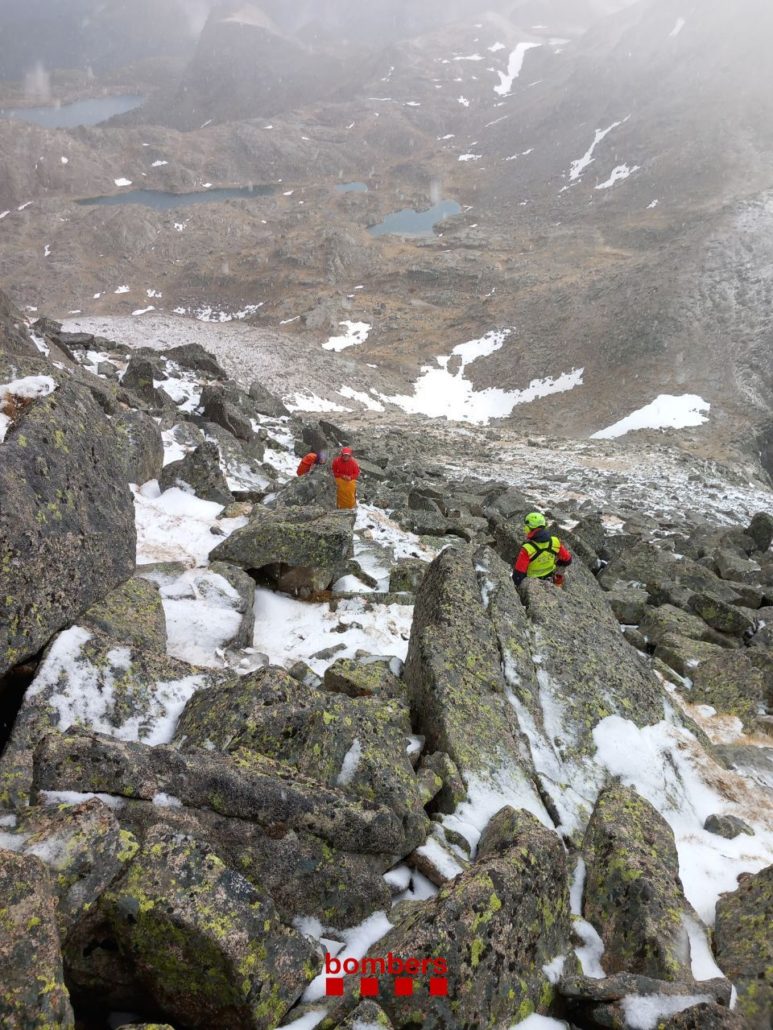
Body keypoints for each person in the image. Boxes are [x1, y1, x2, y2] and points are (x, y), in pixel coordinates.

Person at [512, 512, 572, 588]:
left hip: (531, 583)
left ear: (528, 528)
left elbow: (518, 576)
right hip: (550, 579)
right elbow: (568, 560)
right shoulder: (555, 541)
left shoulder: (527, 549)